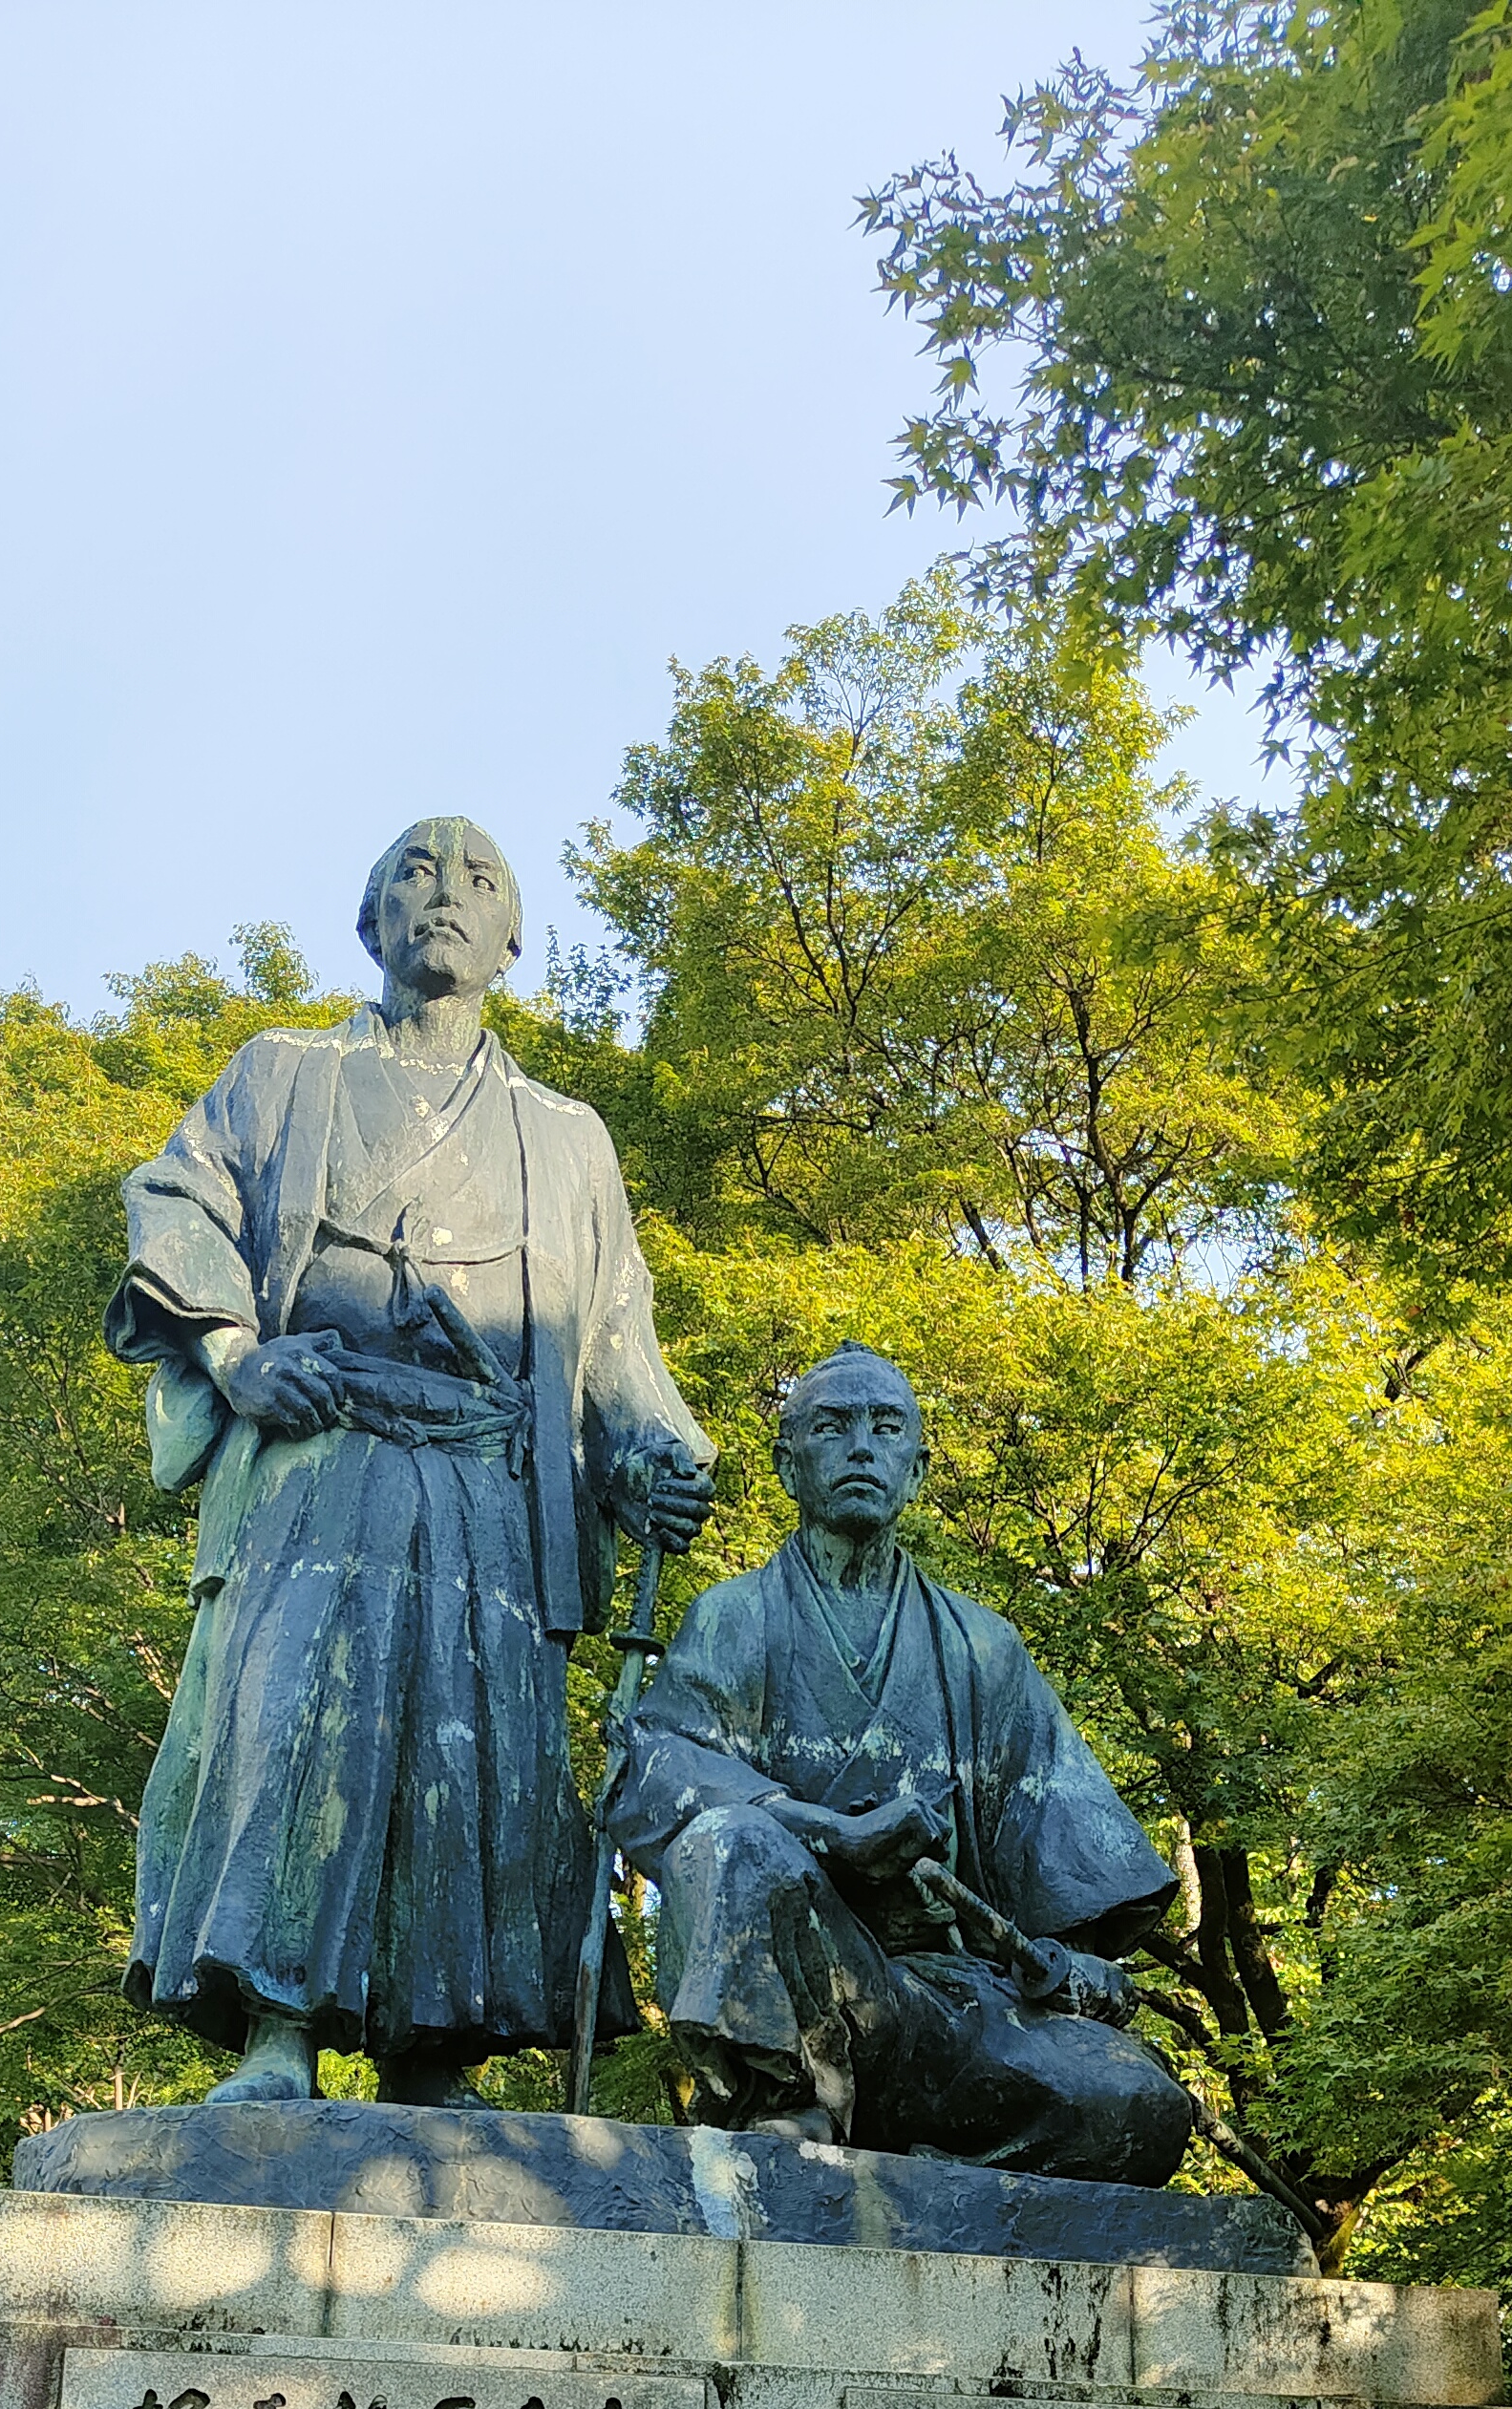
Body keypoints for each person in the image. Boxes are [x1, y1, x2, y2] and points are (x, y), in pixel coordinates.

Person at [106, 818, 713, 2102]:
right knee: (288, 1721)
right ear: (371, 921)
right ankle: (276, 2034)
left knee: (473, 1748)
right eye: (415, 875)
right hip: (322, 1456)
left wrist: (654, 1452)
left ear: (513, 941)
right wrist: (230, 1349)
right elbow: (178, 1201)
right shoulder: (281, 1074)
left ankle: (437, 2055)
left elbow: (612, 1332)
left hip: (491, 1484)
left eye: (478, 880)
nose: (444, 894)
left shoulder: (567, 1137)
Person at [608, 1343, 1190, 2182]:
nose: (859, 1449)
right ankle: (791, 2102)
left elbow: (1064, 1868)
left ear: (916, 1470)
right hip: (808, 1977)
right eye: (832, 1427)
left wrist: (1080, 1966)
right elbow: (653, 1773)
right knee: (731, 1840)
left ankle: (925, 2160)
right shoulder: (735, 1618)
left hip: (942, 2003)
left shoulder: (982, 1648)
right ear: (786, 1466)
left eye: (886, 1430)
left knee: (1143, 2108)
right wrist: (829, 1834)